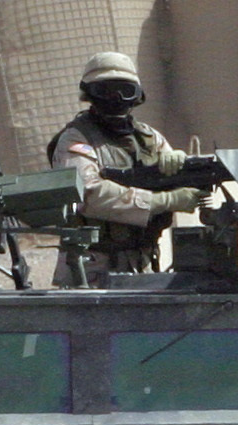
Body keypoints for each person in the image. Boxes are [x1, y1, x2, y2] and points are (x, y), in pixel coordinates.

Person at [47, 51, 206, 281]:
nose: (116, 98)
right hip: (90, 270)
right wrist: (164, 201)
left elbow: (176, 179)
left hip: (142, 264)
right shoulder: (76, 139)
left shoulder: (150, 138)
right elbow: (87, 193)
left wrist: (182, 165)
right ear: (89, 94)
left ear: (137, 95)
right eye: (105, 91)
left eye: (125, 90)